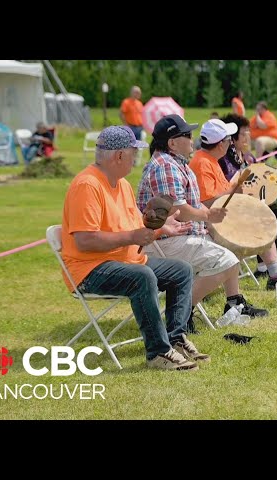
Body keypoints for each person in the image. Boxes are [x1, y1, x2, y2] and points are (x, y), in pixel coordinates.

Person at [61, 125, 208, 371]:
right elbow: (85, 241)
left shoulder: (123, 185)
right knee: (142, 277)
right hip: (89, 270)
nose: (136, 158)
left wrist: (162, 227)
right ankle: (158, 353)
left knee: (182, 271)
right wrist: (133, 236)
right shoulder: (87, 185)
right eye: (133, 152)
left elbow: (135, 228)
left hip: (125, 262)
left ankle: (174, 338)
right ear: (119, 156)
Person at [136, 114, 269, 329]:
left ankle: (234, 303)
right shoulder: (165, 166)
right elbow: (177, 210)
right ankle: (180, 314)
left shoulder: (177, 163)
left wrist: (212, 218)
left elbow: (195, 204)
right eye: (187, 135)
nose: (192, 139)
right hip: (164, 241)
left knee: (232, 247)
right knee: (226, 260)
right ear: (172, 143)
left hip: (181, 236)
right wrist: (208, 216)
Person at [189, 118, 277, 290]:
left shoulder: (209, 160)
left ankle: (274, 274)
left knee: (262, 216)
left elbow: (221, 193)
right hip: (212, 223)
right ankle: (274, 275)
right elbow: (207, 202)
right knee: (260, 221)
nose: (230, 143)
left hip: (220, 216)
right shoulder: (202, 163)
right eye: (228, 139)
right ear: (221, 144)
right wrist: (235, 191)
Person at [218, 113, 277, 276]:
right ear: (232, 138)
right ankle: (270, 269)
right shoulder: (224, 160)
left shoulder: (247, 157)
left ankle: (265, 266)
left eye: (249, 132)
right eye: (244, 133)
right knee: (267, 215)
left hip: (248, 202)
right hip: (231, 209)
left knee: (276, 211)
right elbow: (228, 188)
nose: (248, 137)